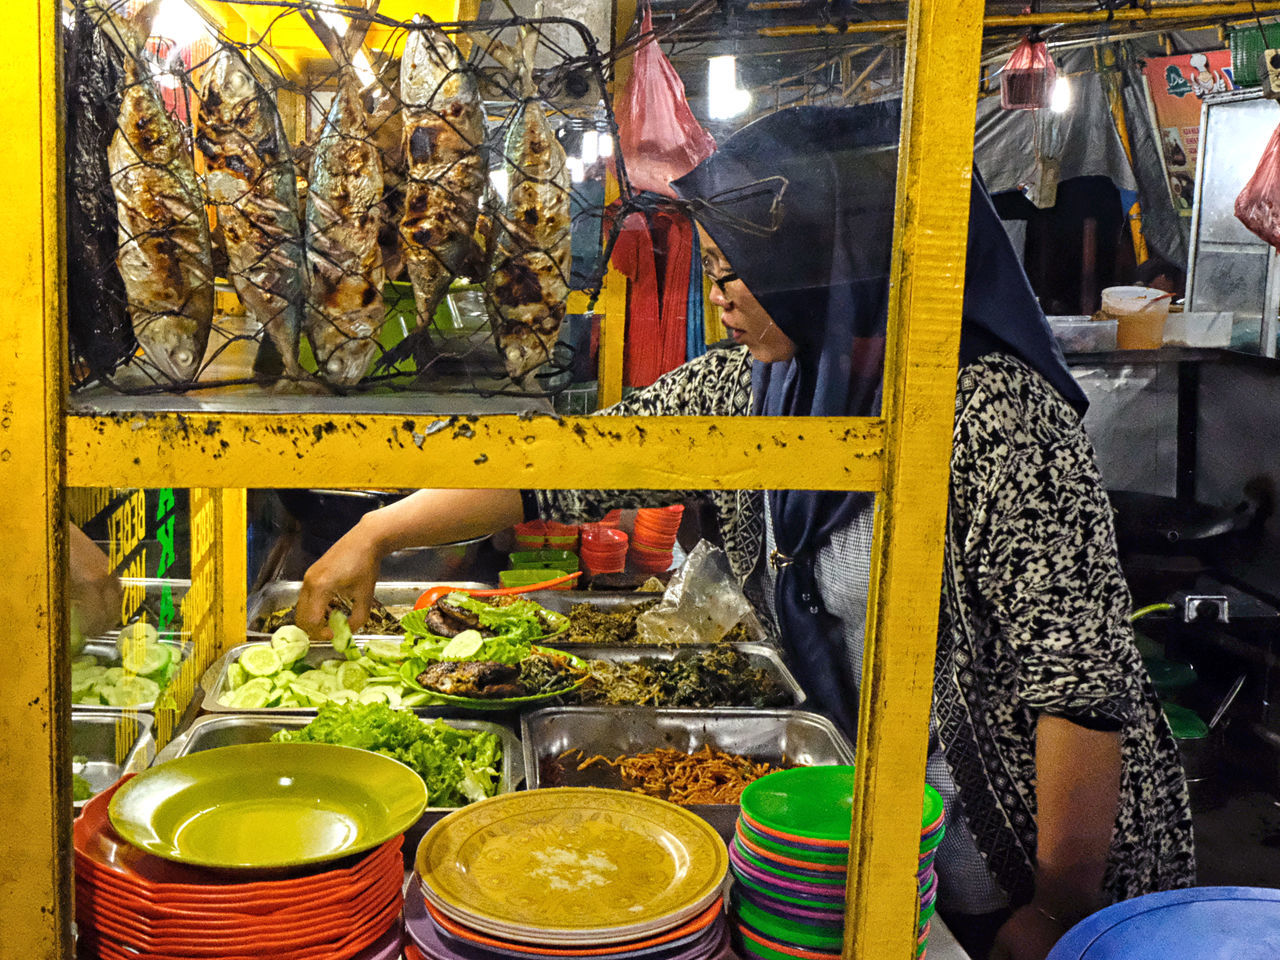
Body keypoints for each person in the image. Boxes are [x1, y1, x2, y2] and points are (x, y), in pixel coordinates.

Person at [296, 104, 1194, 960]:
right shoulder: (755, 387)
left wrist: (1055, 906)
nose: (720, 295)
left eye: (739, 272)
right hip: (866, 827)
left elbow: (1080, 685)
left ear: (827, 266)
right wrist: (377, 531)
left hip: (1032, 857)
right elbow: (569, 466)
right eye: (716, 268)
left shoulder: (995, 417)